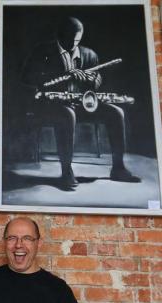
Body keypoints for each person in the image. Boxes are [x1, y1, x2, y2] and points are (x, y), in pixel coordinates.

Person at [22, 16, 140, 190]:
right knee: (67, 114)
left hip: (81, 103)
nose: (73, 44)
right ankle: (66, 171)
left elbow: (96, 84)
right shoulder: (42, 51)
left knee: (116, 112)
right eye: (69, 40)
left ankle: (118, 168)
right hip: (50, 105)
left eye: (77, 40)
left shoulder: (89, 54)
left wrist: (93, 79)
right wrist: (66, 74)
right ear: (59, 36)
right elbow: (26, 77)